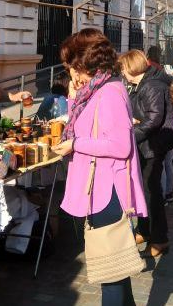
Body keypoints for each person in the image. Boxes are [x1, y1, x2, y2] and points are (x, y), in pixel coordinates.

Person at [52, 29, 146, 305]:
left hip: (108, 192)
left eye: (72, 65)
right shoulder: (94, 90)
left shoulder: (110, 92)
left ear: (86, 63)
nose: (70, 71)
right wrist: (72, 96)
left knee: (111, 273)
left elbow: (120, 147)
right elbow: (83, 123)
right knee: (115, 267)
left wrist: (76, 144)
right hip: (98, 189)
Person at [119, 49, 173, 258]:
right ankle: (145, 230)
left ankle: (160, 239)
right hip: (147, 144)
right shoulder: (143, 83)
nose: (121, 72)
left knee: (152, 193)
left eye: (123, 68)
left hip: (152, 146)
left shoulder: (152, 85)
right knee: (144, 191)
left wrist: (131, 134)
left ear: (130, 68)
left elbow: (154, 120)